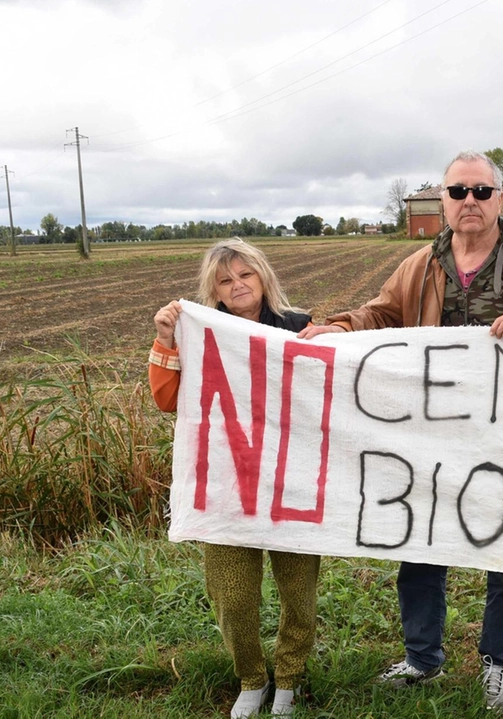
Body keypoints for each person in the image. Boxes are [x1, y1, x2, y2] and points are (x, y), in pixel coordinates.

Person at [299, 150, 503, 710]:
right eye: (459, 192)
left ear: (500, 199)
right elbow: (381, 315)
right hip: (430, 434)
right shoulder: (420, 265)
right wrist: (336, 328)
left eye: (481, 192)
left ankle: (498, 663)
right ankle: (422, 658)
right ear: (443, 200)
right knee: (421, 543)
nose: (470, 203)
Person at [149, 239, 319, 719]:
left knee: (298, 592)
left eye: (245, 274)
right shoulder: (196, 332)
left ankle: (289, 677)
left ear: (264, 276)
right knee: (234, 596)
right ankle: (251, 676)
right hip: (225, 483)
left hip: (292, 480)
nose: (237, 285)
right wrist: (165, 340)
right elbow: (167, 400)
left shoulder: (299, 326)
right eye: (225, 280)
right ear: (213, 291)